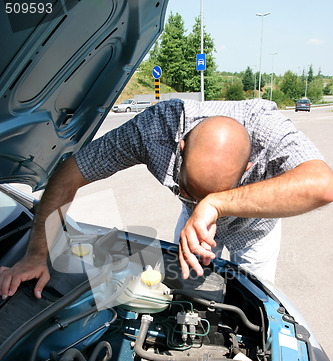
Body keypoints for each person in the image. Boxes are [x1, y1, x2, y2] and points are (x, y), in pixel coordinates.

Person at [1, 98, 333, 299]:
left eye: (214, 192)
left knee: (254, 299)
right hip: (192, 223)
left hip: (255, 232)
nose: (198, 198)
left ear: (249, 166)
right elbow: (69, 174)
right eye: (189, 190)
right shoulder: (155, 129)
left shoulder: (269, 131)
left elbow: (322, 185)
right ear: (181, 147)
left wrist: (213, 205)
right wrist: (35, 255)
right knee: (181, 290)